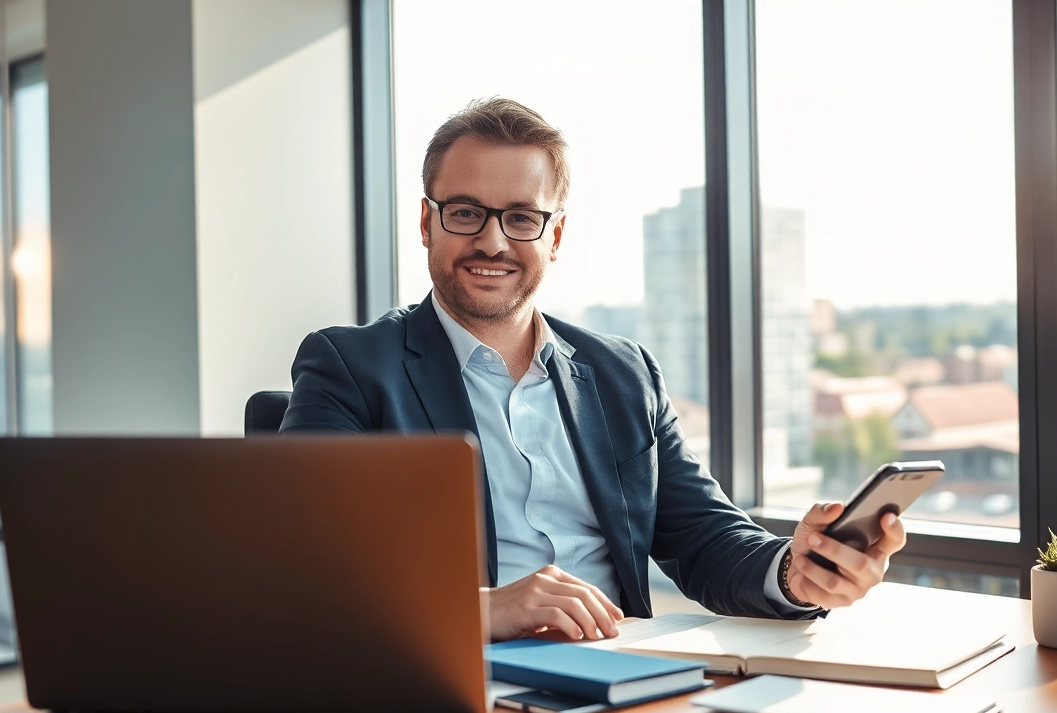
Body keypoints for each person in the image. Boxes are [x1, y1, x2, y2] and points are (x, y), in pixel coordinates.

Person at [282, 97, 906, 642]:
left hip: (620, 673)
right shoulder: (351, 368)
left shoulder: (623, 374)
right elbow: (301, 567)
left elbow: (705, 538)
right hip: (458, 679)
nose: (493, 242)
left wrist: (798, 572)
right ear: (427, 223)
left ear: (554, 237)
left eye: (522, 218)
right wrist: (483, 609)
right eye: (466, 213)